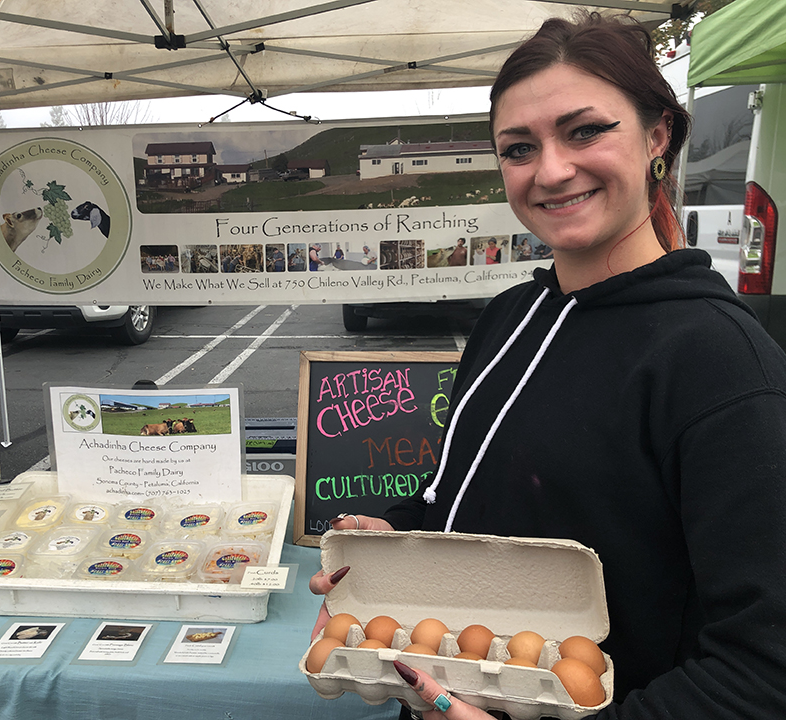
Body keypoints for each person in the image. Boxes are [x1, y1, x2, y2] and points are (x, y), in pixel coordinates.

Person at [310, 12, 786, 720]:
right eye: (519, 148)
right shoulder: (508, 317)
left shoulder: (721, 363)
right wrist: (395, 538)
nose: (552, 170)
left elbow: (763, 672)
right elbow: (459, 497)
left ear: (658, 136)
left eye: (585, 131)